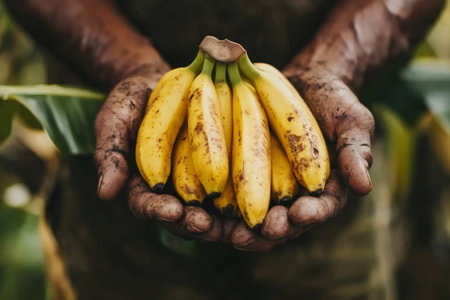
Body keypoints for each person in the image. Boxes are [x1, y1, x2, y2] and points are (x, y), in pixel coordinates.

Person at [4, 0, 445, 299]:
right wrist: (131, 68)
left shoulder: (267, 87)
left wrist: (334, 68)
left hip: (333, 247)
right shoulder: (182, 94)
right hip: (115, 243)